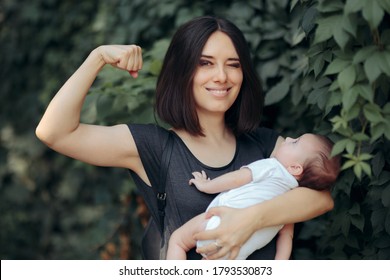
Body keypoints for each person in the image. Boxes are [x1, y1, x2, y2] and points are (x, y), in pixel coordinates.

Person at [35, 15, 334, 260]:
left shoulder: (263, 144)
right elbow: (54, 132)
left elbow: (320, 198)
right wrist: (97, 57)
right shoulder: (153, 147)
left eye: (233, 64)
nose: (222, 76)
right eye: (205, 63)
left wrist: (249, 220)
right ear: (182, 71)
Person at [166, 133, 341, 260]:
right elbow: (287, 236)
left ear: (296, 168)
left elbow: (236, 179)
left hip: (216, 223)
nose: (287, 139)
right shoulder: (292, 199)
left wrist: (206, 185)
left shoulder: (272, 167)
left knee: (178, 241)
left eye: (294, 142)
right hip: (237, 253)